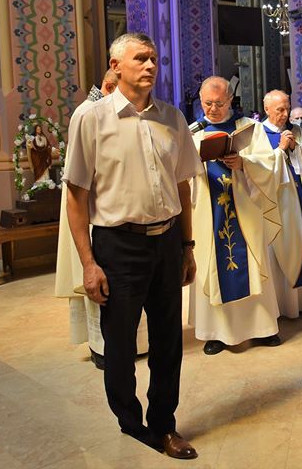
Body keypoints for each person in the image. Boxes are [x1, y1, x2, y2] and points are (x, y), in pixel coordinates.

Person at [63, 33, 202, 459]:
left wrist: (187, 247)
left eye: (154, 58)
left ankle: (164, 425)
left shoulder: (172, 118)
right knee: (120, 344)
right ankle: (129, 419)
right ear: (115, 65)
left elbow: (181, 186)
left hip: (167, 241)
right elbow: (76, 196)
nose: (150, 65)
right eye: (140, 58)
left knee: (168, 341)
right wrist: (88, 263)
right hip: (118, 245)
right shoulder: (91, 118)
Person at [54, 69, 148, 371]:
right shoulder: (88, 113)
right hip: (99, 218)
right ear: (109, 86)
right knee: (103, 290)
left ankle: (133, 345)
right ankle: (102, 348)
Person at [190, 76, 283, 356]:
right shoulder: (193, 132)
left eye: (219, 103)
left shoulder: (249, 129)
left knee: (252, 264)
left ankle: (263, 328)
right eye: (208, 103)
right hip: (209, 211)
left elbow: (269, 165)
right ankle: (217, 334)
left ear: (231, 100)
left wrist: (244, 163)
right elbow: (180, 171)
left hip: (245, 211)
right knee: (212, 265)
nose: (213, 109)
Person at [262, 90, 302, 318]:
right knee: (274, 253)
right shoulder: (258, 133)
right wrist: (280, 150)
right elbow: (256, 168)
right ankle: (278, 307)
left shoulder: (296, 131)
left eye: (287, 109)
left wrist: (296, 147)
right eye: (280, 110)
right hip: (271, 204)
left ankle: (301, 304)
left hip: (297, 201)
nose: (285, 114)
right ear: (267, 109)